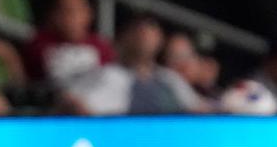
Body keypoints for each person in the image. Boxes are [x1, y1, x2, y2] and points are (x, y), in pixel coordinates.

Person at [61, 14, 204, 116]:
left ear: (160, 39)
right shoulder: (108, 74)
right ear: (124, 37)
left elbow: (198, 108)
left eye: (151, 30)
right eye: (138, 30)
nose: (144, 34)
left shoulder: (169, 78)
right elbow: (71, 100)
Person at [22, 0, 116, 88]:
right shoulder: (39, 43)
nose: (72, 17)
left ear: (89, 14)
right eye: (65, 10)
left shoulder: (102, 47)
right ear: (54, 15)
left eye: (77, 10)